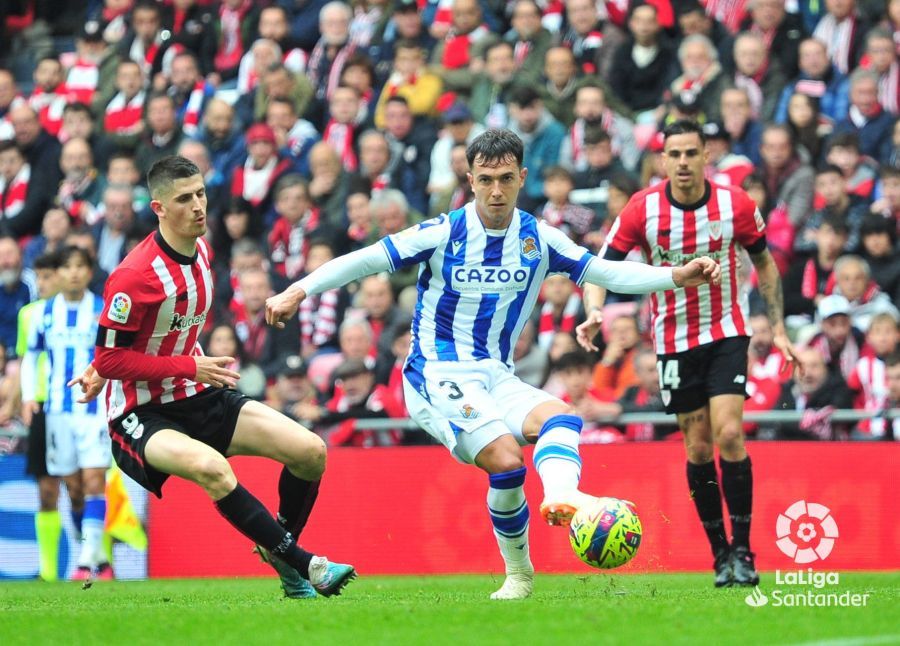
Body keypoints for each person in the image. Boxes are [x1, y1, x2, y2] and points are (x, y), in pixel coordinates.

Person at [266, 129, 721, 600]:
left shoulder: (538, 237)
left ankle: (562, 495)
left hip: (495, 373)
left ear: (523, 178)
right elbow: (366, 260)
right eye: (486, 180)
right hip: (435, 374)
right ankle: (520, 574)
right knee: (506, 459)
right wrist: (300, 290)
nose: (497, 191)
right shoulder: (444, 231)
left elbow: (604, 271)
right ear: (470, 179)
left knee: (563, 418)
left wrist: (676, 275)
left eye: (506, 179)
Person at [68, 156, 355, 598]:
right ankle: (305, 564)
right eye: (184, 199)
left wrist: (160, 366)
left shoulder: (202, 249)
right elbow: (110, 358)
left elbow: (151, 332)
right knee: (213, 469)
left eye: (200, 193)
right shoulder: (132, 276)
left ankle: (279, 550)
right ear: (160, 208)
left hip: (198, 390)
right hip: (142, 412)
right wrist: (161, 366)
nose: (198, 206)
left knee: (310, 452)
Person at [577, 120, 798, 588]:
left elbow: (764, 262)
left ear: (705, 157)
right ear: (662, 160)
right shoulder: (643, 210)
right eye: (673, 154)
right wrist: (595, 311)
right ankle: (720, 555)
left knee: (731, 433)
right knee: (698, 447)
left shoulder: (734, 204)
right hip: (674, 341)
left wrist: (776, 326)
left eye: (690, 153)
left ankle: (744, 551)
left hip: (726, 331)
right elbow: (598, 268)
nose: (682, 162)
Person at [21, 246, 111, 580]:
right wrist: (30, 397)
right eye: (67, 267)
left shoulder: (102, 311)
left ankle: (86, 562)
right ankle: (97, 559)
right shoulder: (43, 314)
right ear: (58, 273)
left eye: (80, 266)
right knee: (72, 488)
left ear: (89, 272)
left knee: (93, 480)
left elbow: (114, 357)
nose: (73, 273)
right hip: (57, 411)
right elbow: (31, 357)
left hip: (94, 410)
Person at [18, 252, 85, 582]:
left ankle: (89, 559)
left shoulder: (86, 311)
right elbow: (25, 362)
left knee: (79, 488)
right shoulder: (30, 315)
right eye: (39, 277)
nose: (42, 283)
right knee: (46, 491)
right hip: (45, 408)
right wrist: (27, 398)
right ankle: (47, 574)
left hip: (80, 407)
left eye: (48, 276)